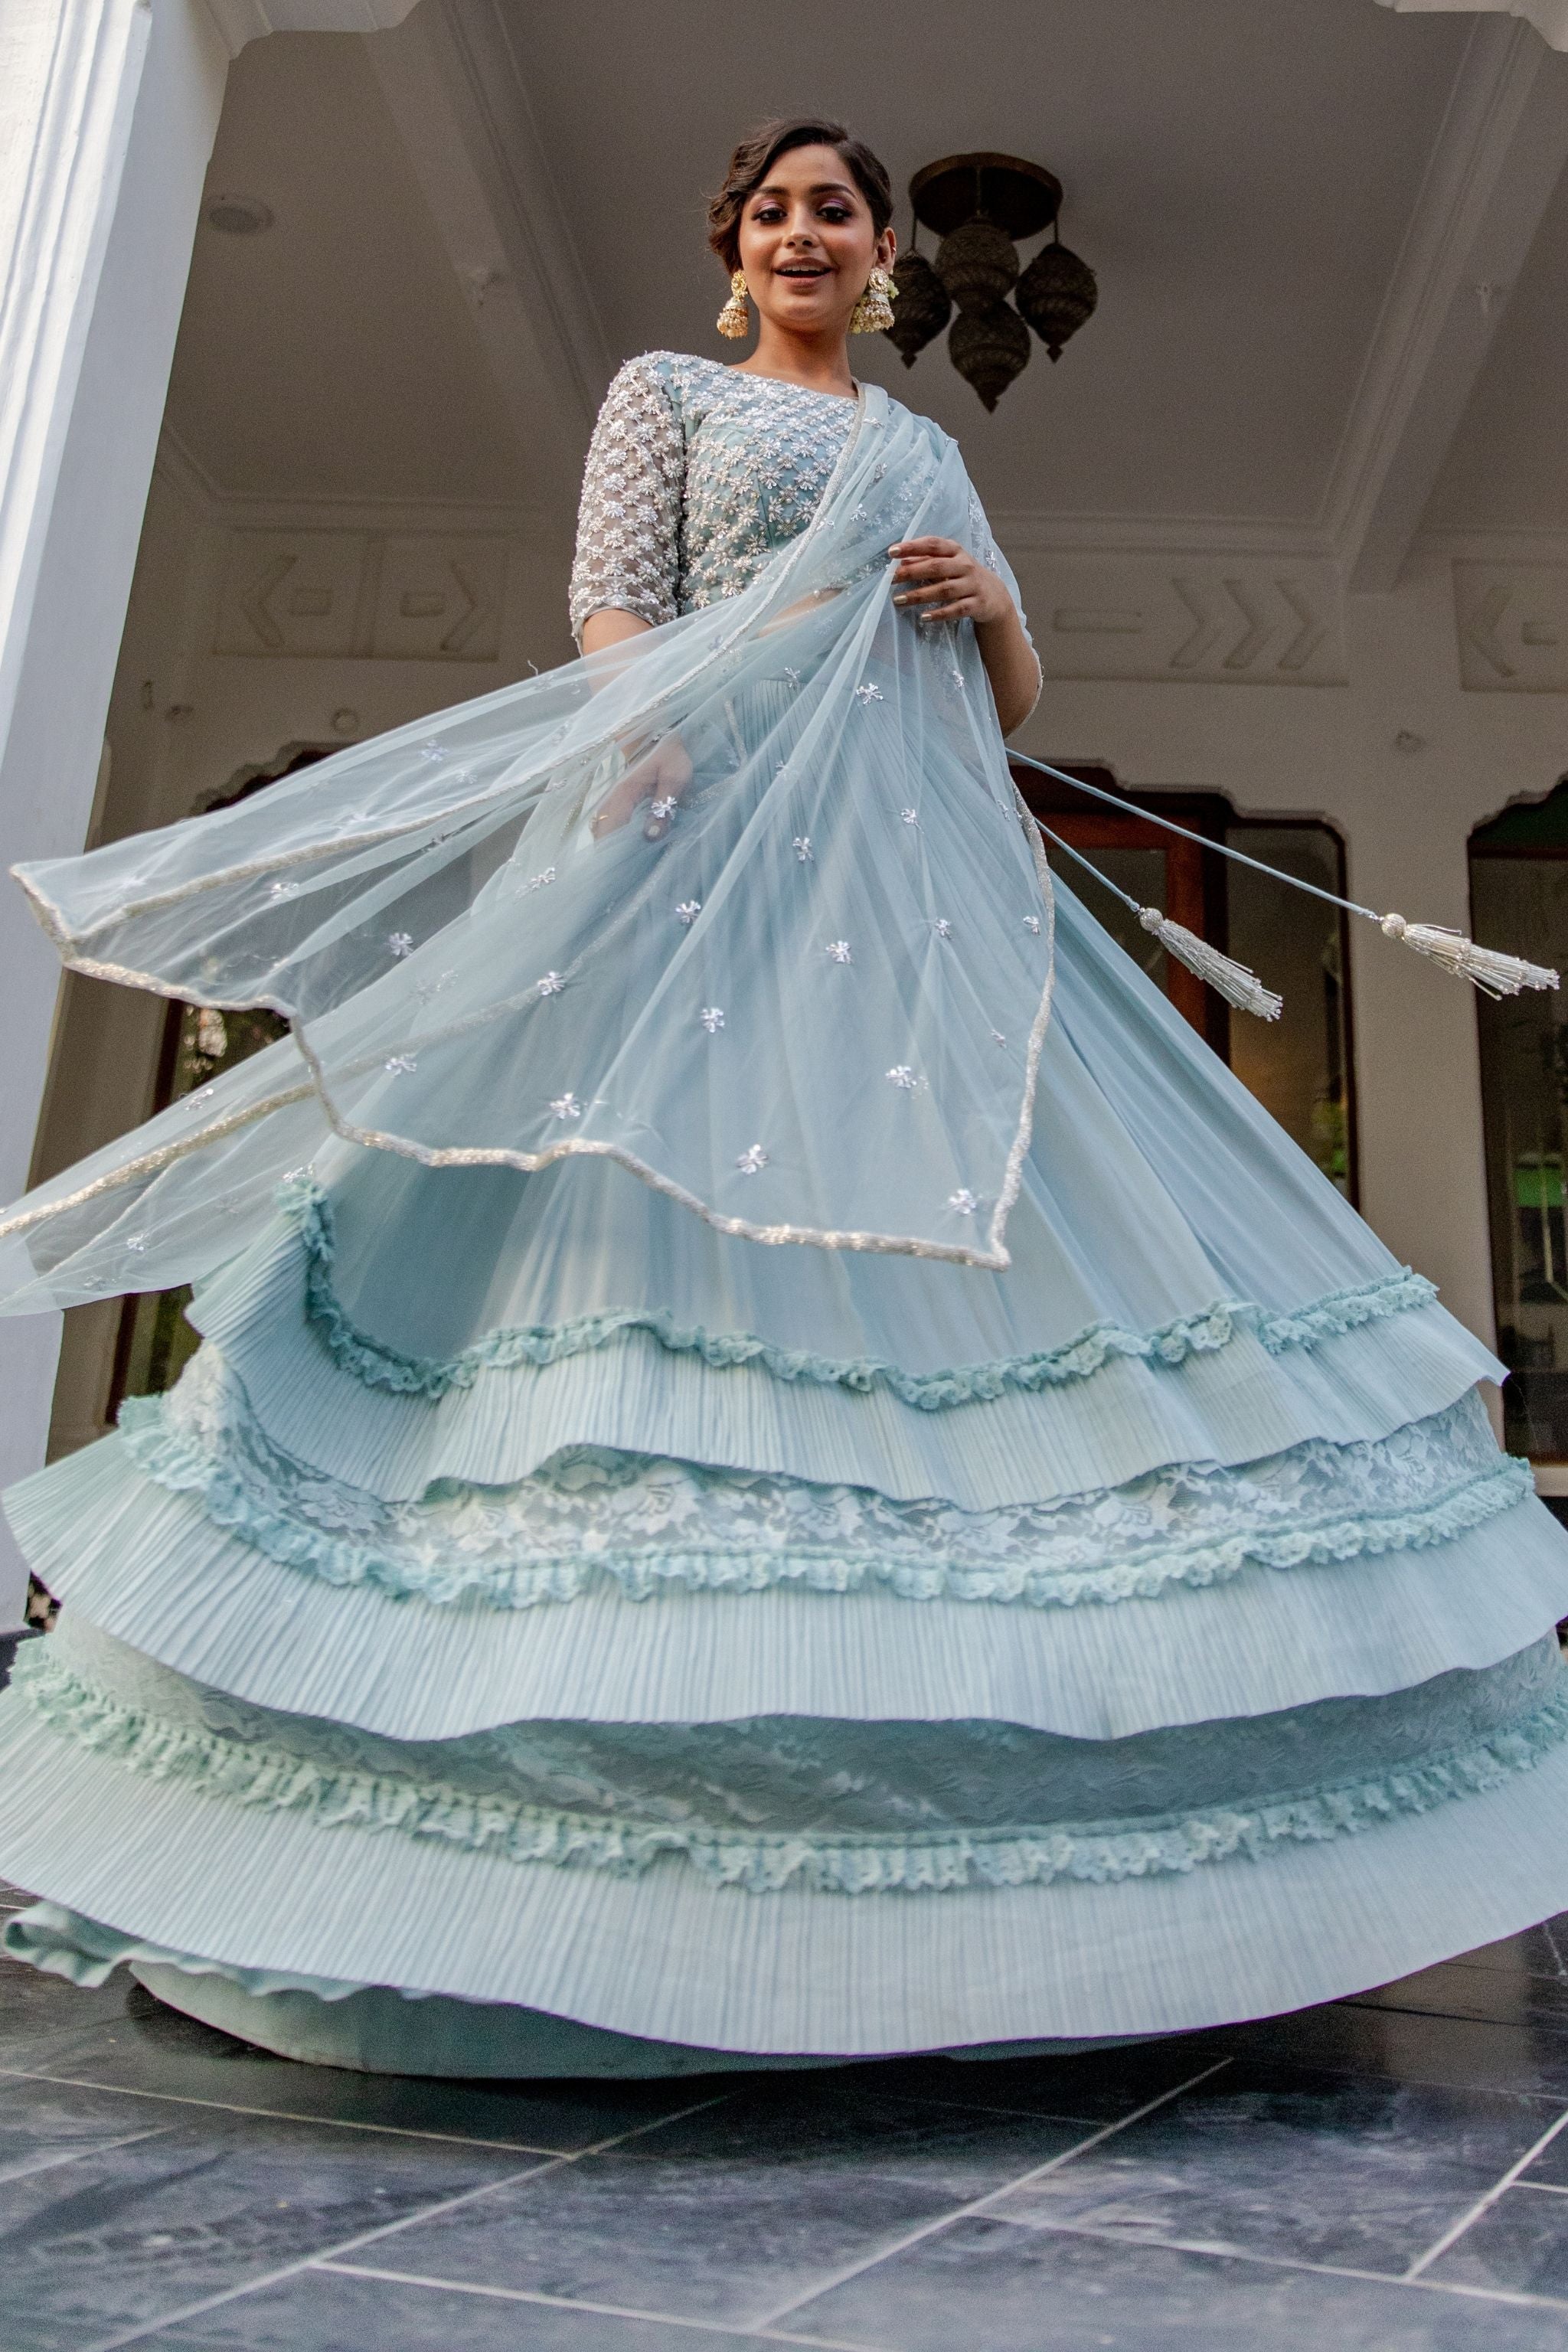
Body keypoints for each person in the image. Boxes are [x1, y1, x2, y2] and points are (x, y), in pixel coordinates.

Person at [1, 117, 1566, 2079]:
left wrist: (979, 603)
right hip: (709, 846)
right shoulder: (663, 394)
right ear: (736, 255)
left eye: (838, 208)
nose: (807, 232)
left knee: (999, 1252)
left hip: (916, 896)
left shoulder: (928, 445)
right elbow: (610, 599)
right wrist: (641, 735)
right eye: (775, 212)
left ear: (888, 252)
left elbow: (1007, 705)